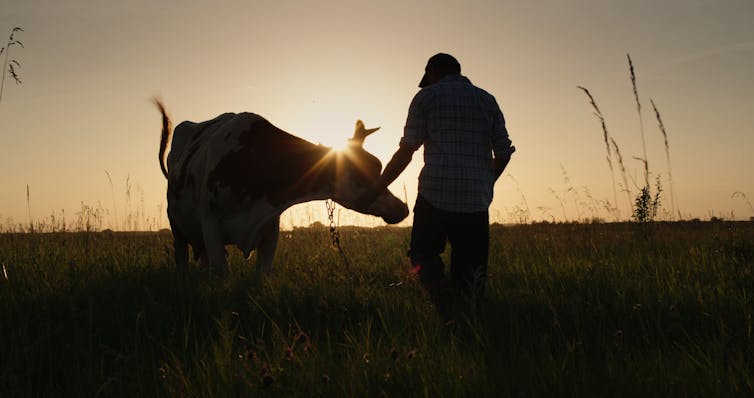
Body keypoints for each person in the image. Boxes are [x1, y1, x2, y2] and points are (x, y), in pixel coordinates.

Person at [359, 53, 515, 310]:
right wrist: (487, 182)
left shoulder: (426, 97)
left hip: (435, 197)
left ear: (432, 73)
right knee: (471, 271)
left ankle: (443, 300)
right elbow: (504, 152)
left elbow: (407, 151)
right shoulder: (487, 100)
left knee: (422, 255)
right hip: (475, 200)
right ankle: (467, 319)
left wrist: (377, 187)